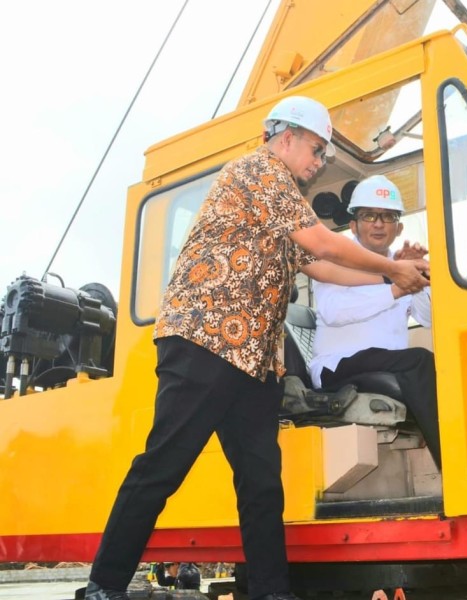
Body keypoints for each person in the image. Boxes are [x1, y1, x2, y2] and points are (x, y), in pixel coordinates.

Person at [84, 95, 430, 600]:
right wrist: (391, 268)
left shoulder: (280, 199)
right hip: (205, 341)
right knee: (163, 466)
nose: (318, 163)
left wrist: (392, 285)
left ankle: (272, 592)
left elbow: (321, 268)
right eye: (316, 150)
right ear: (285, 137)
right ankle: (103, 585)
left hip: (252, 360)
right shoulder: (260, 171)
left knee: (262, 483)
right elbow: (326, 246)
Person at [309, 175, 440, 467]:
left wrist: (420, 280)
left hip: (384, 360)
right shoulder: (336, 257)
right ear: (354, 224)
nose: (378, 223)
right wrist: (395, 286)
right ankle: (452, 465)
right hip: (336, 366)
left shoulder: (399, 263)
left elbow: (429, 318)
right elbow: (334, 312)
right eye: (369, 215)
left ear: (399, 227)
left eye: (387, 216)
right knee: (419, 361)